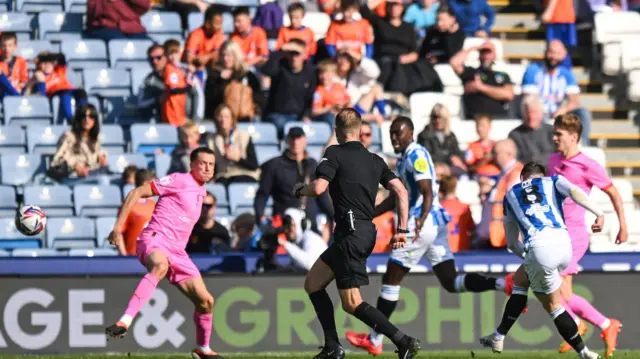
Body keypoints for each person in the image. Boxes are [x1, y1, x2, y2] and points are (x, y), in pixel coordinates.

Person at [345, 116, 505, 355]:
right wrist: (370, 213)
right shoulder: (404, 159)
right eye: (391, 134)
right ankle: (503, 283)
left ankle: (376, 338)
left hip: (421, 223)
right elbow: (394, 197)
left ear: (410, 133)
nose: (394, 138)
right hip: (434, 226)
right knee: (451, 282)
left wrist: (419, 221)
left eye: (398, 133)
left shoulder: (416, 155)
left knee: (391, 279)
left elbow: (427, 190)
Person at [294, 108, 420, 359]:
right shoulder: (375, 160)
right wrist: (402, 230)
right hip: (359, 232)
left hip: (350, 234)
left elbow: (319, 188)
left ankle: (403, 341)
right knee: (313, 284)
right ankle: (332, 346)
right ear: (361, 130)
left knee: (352, 302)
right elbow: (402, 192)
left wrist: (300, 190)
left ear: (337, 131)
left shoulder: (334, 153)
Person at [105, 148, 222, 359]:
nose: (207, 168)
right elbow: (136, 193)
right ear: (192, 165)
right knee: (160, 266)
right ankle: (125, 320)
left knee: (206, 301)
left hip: (178, 252)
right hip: (155, 238)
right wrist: (117, 227)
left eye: (211, 164)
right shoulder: (179, 179)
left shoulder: (201, 192)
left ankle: (202, 349)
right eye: (202, 163)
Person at [478, 162, 603, 359]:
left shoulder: (510, 195)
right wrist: (599, 213)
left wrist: (532, 257)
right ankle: (499, 335)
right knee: (520, 279)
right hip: (564, 245)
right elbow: (575, 192)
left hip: (539, 249)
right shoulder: (553, 181)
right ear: (541, 175)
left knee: (553, 306)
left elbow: (511, 243)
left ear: (522, 178)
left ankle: (584, 352)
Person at [548, 113, 626, 357]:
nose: (554, 138)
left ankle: (582, 325)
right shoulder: (552, 160)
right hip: (555, 234)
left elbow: (613, 192)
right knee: (562, 292)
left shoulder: (587, 165)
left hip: (574, 235)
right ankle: (605, 325)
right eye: (554, 133)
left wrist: (622, 225)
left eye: (559, 134)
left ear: (573, 137)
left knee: (554, 288)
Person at [262, 39, 316, 137]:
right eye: (291, 54)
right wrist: (281, 51)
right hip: (277, 114)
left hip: (298, 116)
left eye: (297, 54)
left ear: (304, 55)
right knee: (280, 125)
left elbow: (310, 97)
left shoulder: (310, 72)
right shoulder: (280, 66)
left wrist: (306, 115)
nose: (294, 58)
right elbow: (267, 70)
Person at [449, 41, 515, 119]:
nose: (485, 56)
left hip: (498, 119)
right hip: (474, 120)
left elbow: (509, 95)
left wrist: (481, 87)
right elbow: (454, 62)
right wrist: (472, 49)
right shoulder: (471, 73)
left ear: (494, 55)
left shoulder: (502, 75)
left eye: (488, 52)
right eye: (483, 52)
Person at [204, 40, 264, 122]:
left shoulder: (247, 75)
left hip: (245, 119)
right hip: (221, 121)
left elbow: (258, 98)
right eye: (223, 55)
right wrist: (221, 81)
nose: (225, 59)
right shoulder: (214, 75)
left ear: (236, 55)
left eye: (229, 55)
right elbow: (210, 100)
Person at [49, 104, 109, 184]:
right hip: (71, 177)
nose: (87, 120)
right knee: (103, 180)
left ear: (95, 120)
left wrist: (101, 157)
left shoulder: (95, 138)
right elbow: (57, 159)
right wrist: (75, 166)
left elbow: (97, 154)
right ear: (78, 119)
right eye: (83, 116)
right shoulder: (69, 137)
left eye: (91, 116)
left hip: (91, 174)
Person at [208, 104, 260, 185]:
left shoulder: (244, 136)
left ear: (232, 119)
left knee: (237, 182)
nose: (223, 120)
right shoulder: (211, 139)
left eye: (226, 117)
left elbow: (254, 165)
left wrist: (238, 159)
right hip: (223, 176)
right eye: (220, 116)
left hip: (244, 174)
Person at [509, 94, 555, 168]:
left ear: (541, 113)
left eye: (534, 112)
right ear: (523, 114)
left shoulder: (552, 131)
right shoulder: (515, 135)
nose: (531, 117)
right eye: (528, 112)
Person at [118, 169, 156, 256]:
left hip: (153, 258)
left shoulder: (155, 205)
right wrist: (124, 257)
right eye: (154, 184)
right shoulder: (128, 205)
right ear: (145, 184)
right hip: (133, 256)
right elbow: (119, 233)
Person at [184, 5, 225, 72]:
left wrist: (207, 57)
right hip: (195, 67)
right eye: (217, 23)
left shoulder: (219, 33)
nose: (220, 26)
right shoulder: (195, 34)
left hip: (209, 66)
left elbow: (218, 52)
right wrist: (199, 59)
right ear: (207, 23)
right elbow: (189, 58)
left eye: (221, 23)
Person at [312, 60, 351, 127]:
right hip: (330, 118)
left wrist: (344, 105)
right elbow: (314, 111)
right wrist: (330, 108)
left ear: (334, 74)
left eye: (327, 74)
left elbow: (348, 101)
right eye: (321, 73)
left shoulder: (339, 86)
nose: (324, 76)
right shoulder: (319, 91)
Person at [0, 32, 28, 98]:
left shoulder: (21, 61)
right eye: (3, 45)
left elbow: (24, 81)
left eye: (10, 45)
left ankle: (16, 95)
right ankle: (18, 97)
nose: (6, 49)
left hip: (16, 89)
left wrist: (17, 86)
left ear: (15, 47)